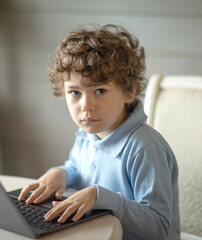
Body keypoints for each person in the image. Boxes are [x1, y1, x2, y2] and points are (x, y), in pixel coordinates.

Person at [18, 24, 180, 240]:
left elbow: (159, 228)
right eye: (75, 92)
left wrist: (100, 197)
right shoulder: (88, 131)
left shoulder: (145, 149)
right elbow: (79, 167)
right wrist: (63, 173)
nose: (86, 106)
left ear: (129, 91)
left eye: (100, 91)